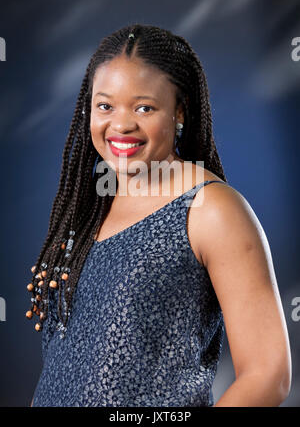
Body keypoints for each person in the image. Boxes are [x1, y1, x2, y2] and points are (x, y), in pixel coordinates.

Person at [28, 23, 291, 407]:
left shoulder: (210, 209)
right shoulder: (90, 207)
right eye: (105, 105)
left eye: (144, 107)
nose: (120, 124)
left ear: (179, 111)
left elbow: (269, 375)